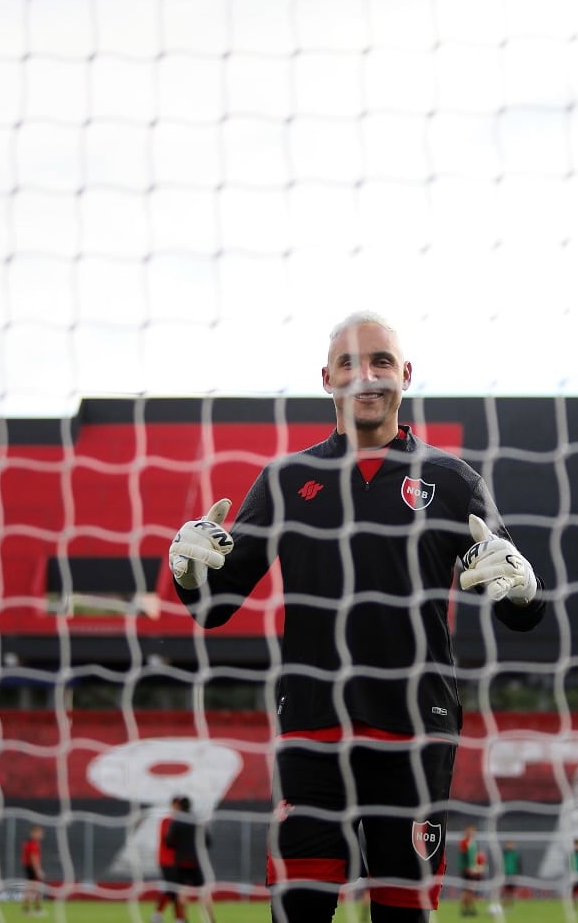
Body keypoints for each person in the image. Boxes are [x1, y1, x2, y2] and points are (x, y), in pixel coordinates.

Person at [171, 311, 547, 923]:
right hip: (314, 728)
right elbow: (216, 606)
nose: (364, 376)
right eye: (348, 363)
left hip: (416, 729)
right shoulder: (288, 480)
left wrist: (525, 587)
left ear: (405, 373)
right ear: (327, 378)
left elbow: (519, 610)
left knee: (403, 912)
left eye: (379, 362)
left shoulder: (453, 482)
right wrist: (188, 574)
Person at [170, 797, 216, 923]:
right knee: (204, 892)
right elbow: (208, 841)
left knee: (182, 891)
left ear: (180, 807)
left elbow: (169, 841)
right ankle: (212, 919)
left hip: (181, 861)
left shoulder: (177, 822)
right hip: (196, 861)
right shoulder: (197, 821)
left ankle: (184, 919)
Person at [153, 797, 187, 923]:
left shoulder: (184, 821)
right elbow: (168, 840)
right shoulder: (167, 821)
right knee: (174, 889)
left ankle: (158, 916)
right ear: (173, 806)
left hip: (179, 861)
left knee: (172, 889)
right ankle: (179, 918)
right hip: (167, 861)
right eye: (177, 805)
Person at [457, 826, 486, 917]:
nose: (473, 833)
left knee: (470, 891)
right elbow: (466, 856)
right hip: (467, 870)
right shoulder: (465, 842)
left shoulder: (472, 843)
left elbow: (474, 857)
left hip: (472, 870)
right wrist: (470, 868)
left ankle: (469, 910)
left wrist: (477, 866)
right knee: (467, 891)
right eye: (471, 831)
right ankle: (464, 910)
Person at [22, 825, 46, 916]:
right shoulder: (33, 844)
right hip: (31, 868)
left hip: (28, 867)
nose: (41, 835)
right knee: (34, 888)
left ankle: (30, 909)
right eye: (39, 833)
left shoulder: (28, 843)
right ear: (34, 833)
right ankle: (34, 909)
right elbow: (33, 858)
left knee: (32, 889)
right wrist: (38, 870)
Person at [500, 841, 522, 908]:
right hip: (506, 874)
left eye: (511, 844)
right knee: (505, 890)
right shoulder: (504, 854)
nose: (509, 846)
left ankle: (510, 905)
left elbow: (519, 865)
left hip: (513, 874)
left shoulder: (515, 854)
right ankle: (504, 905)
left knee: (511, 891)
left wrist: (518, 874)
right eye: (508, 844)